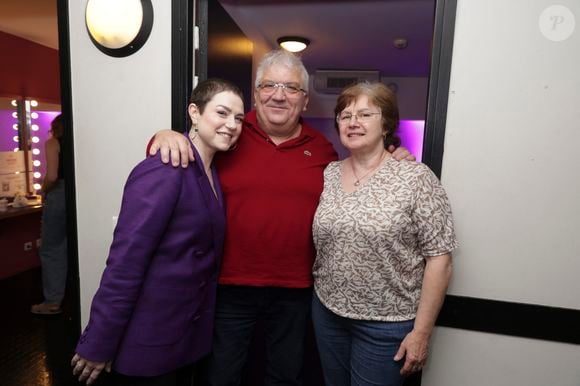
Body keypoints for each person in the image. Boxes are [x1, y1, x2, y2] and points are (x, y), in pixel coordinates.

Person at [148, 50, 414, 386]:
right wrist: (165, 135)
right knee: (221, 375)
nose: (279, 94)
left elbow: (361, 177)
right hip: (230, 285)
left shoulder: (323, 150)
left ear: (304, 101)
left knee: (284, 376)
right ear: (256, 92)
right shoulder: (230, 132)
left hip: (296, 290)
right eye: (269, 85)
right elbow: (187, 151)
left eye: (290, 88)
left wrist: (396, 157)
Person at [70, 78, 244, 386]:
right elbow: (125, 263)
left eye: (239, 118)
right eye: (222, 113)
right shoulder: (164, 170)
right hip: (151, 337)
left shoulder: (212, 172)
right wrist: (98, 342)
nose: (231, 124)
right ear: (194, 112)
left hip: (187, 337)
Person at [311, 81, 458, 386]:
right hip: (327, 313)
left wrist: (421, 333)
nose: (353, 122)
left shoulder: (416, 178)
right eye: (345, 115)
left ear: (386, 124)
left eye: (365, 115)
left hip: (385, 326)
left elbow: (440, 260)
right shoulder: (329, 174)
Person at [31, 114, 68, 315]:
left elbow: (52, 175)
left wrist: (43, 189)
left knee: (51, 248)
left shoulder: (53, 143)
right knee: (68, 246)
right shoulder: (76, 142)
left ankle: (52, 301)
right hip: (76, 194)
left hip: (59, 195)